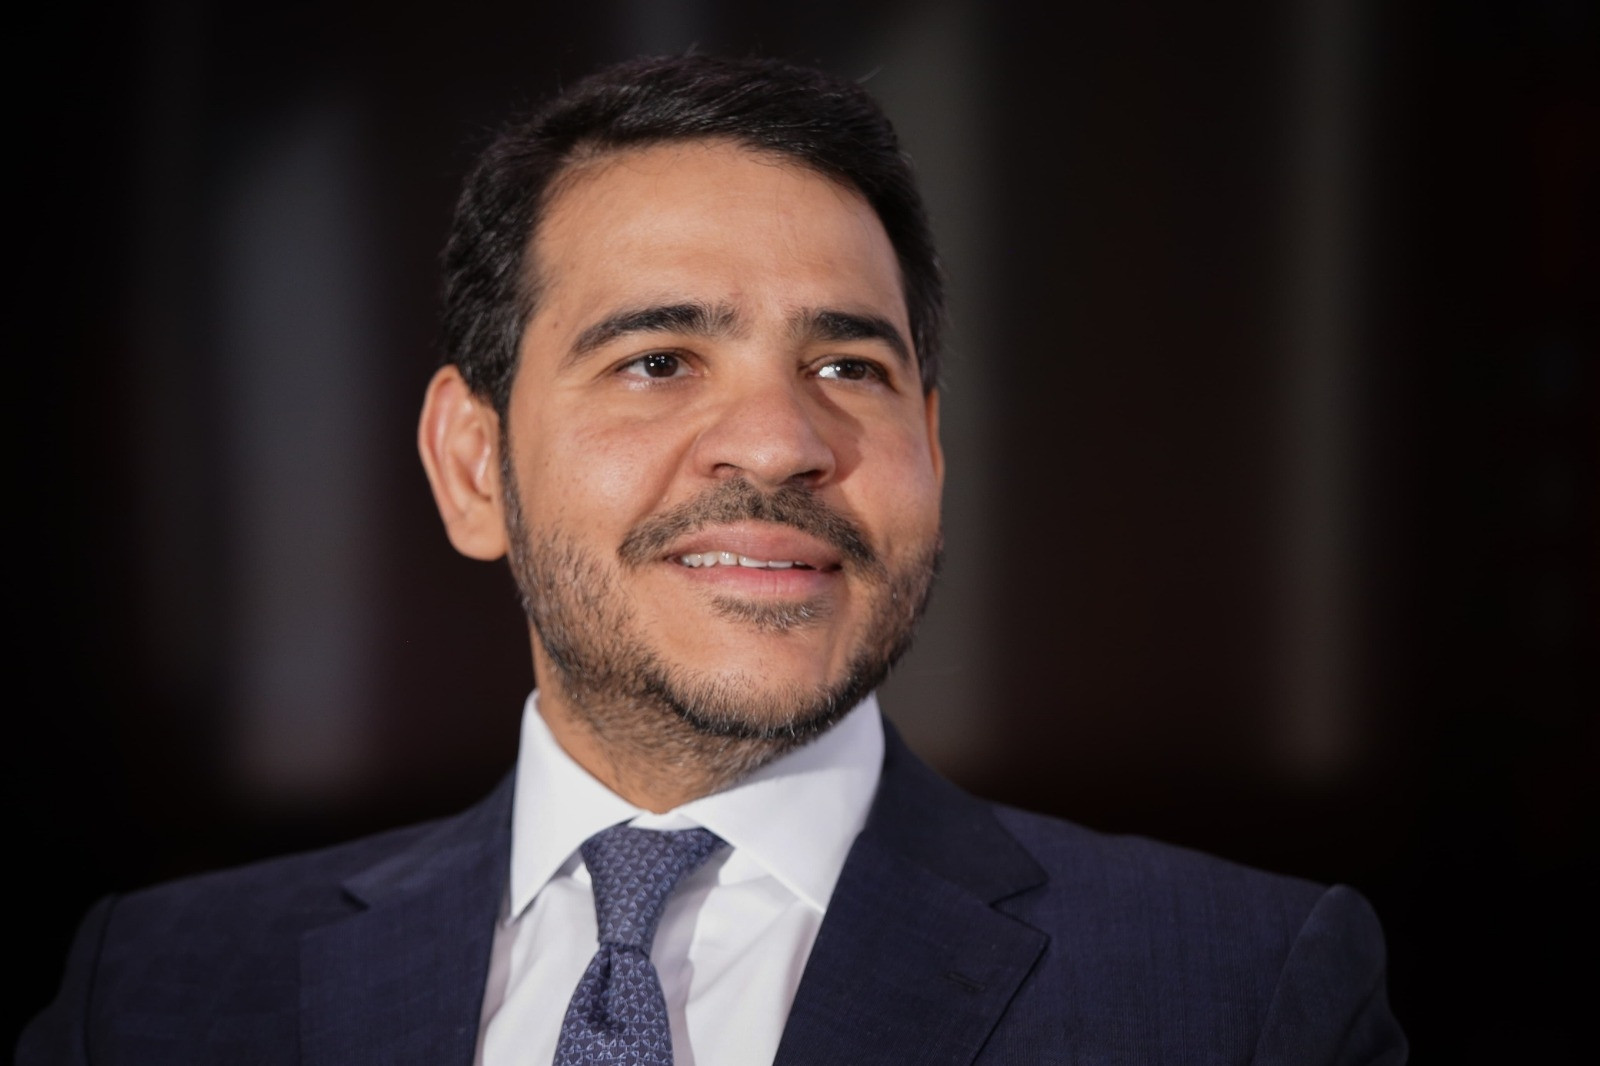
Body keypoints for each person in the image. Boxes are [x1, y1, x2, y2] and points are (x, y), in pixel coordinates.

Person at [18, 54, 1407, 1065]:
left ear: (932, 450)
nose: (782, 442)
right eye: (660, 358)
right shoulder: (155, 992)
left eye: (848, 366)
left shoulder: (1240, 995)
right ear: (473, 463)